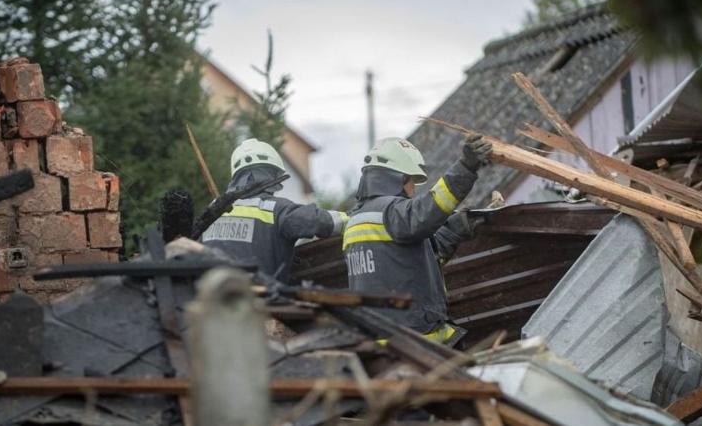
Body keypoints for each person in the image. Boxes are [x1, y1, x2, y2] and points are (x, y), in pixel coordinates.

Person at [343, 134, 492, 345]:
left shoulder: (355, 220)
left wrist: (453, 230)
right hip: (415, 346)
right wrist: (466, 167)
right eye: (411, 180)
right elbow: (427, 211)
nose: (414, 188)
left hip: (379, 343)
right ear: (396, 178)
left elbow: (409, 258)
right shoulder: (392, 212)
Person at [202, 138, 348, 282]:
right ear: (271, 174)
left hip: (210, 299)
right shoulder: (275, 210)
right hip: (256, 301)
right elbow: (318, 220)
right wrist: (351, 219)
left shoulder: (212, 211)